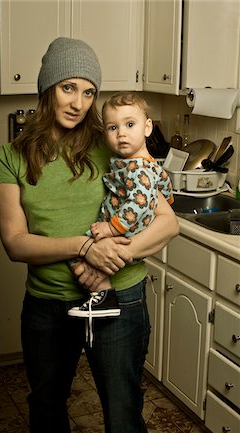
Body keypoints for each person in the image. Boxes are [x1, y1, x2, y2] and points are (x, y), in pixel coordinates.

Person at [0, 36, 179, 433]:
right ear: (47, 89)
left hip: (120, 300)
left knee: (123, 413)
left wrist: (116, 255)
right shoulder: (11, 157)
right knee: (46, 409)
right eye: (68, 87)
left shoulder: (112, 144)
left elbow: (167, 222)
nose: (78, 102)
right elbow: (16, 244)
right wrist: (85, 246)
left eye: (89, 91)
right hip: (48, 303)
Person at [68, 92, 173, 330]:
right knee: (84, 256)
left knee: (77, 254)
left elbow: (137, 204)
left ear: (148, 128)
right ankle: (103, 294)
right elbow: (165, 190)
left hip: (122, 232)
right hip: (124, 230)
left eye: (129, 124)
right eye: (112, 128)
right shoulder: (137, 162)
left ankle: (104, 296)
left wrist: (110, 227)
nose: (121, 134)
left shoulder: (138, 168)